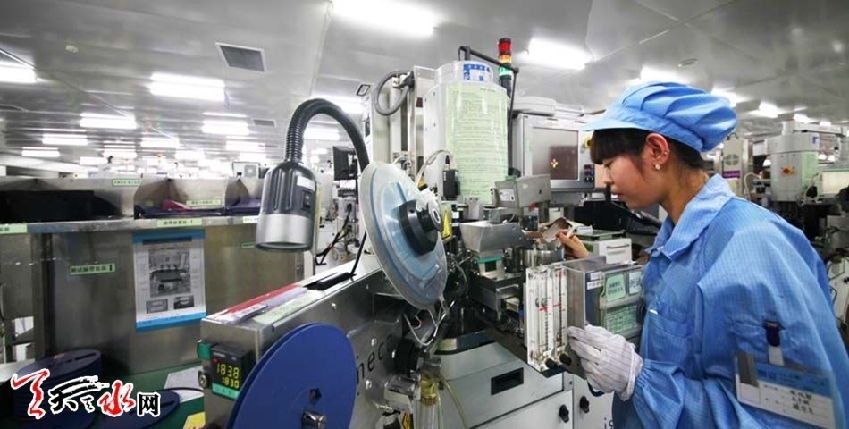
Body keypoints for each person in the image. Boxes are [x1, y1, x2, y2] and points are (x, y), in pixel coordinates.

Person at [557, 81, 849, 428]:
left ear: (656, 150)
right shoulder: (672, 244)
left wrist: (640, 380)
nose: (603, 179)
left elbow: (782, 419)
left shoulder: (751, 248)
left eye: (608, 164)